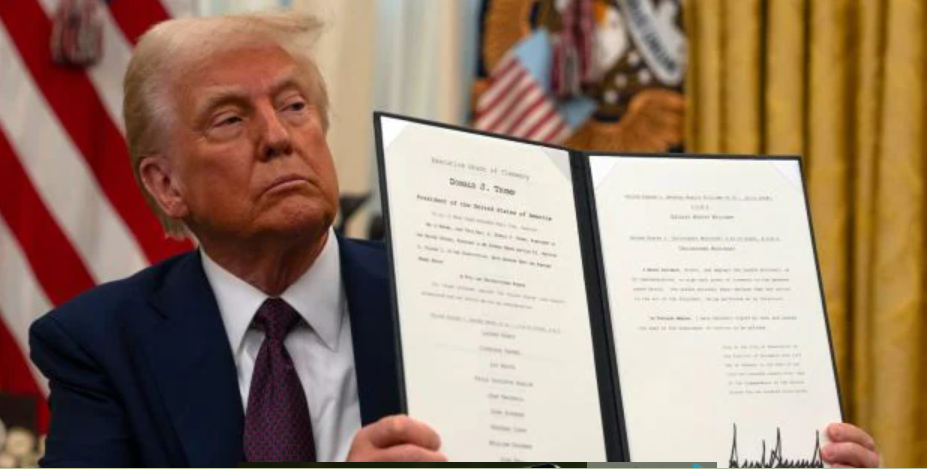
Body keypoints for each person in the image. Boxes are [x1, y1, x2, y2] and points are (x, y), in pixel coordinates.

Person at [28, 11, 882, 467]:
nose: (278, 136)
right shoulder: (98, 345)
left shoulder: (475, 288)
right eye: (229, 118)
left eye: (293, 106)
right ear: (165, 183)